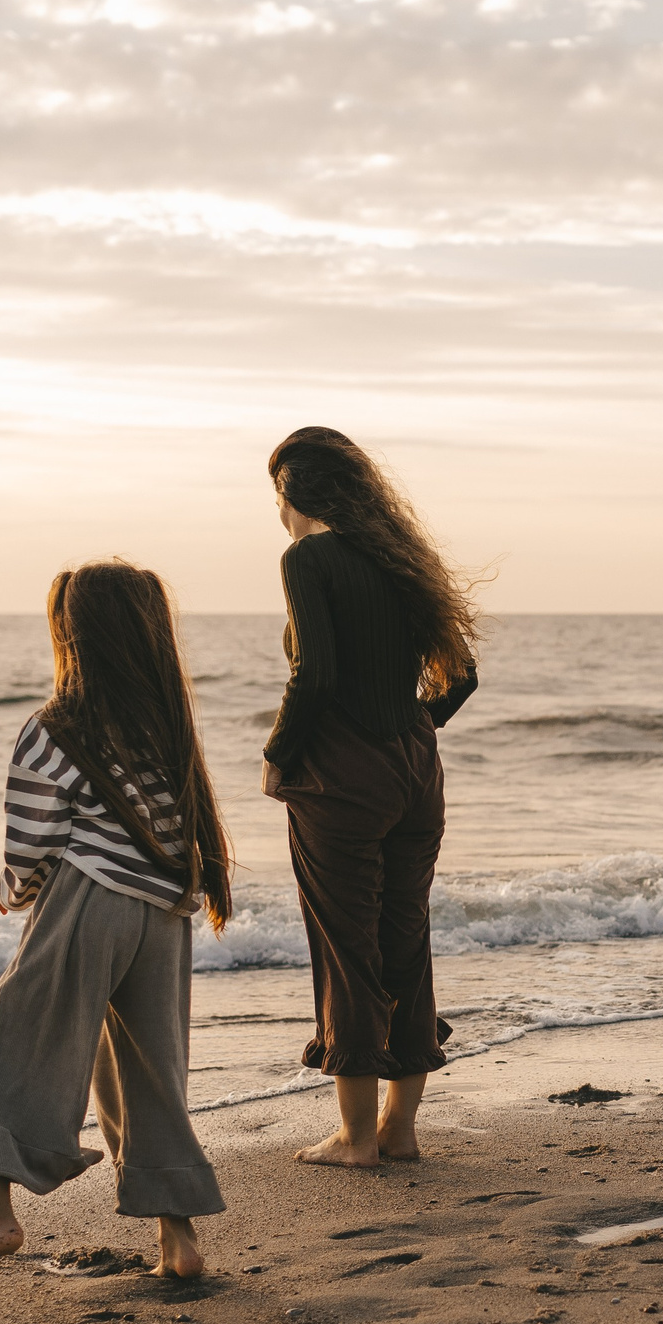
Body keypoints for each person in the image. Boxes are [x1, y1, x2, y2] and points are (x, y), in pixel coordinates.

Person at [0, 560, 236, 1304]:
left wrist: (7, 893)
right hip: (163, 912)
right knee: (147, 1070)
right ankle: (178, 1237)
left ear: (73, 637)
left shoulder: (54, 729)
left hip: (88, 902)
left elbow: (32, 846)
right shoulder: (166, 722)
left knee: (0, 1044)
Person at [263, 427, 483, 1169]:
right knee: (405, 940)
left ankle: (355, 1138)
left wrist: (277, 754)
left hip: (340, 778)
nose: (278, 513)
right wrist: (417, 727)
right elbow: (462, 678)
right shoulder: (402, 559)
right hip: (417, 773)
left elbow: (316, 676)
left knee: (345, 947)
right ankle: (400, 1128)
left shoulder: (308, 558)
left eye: (277, 496)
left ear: (294, 492)